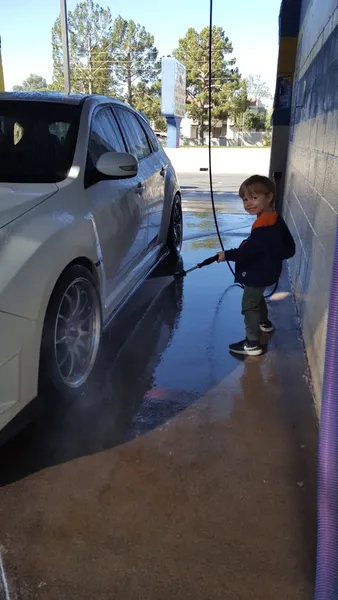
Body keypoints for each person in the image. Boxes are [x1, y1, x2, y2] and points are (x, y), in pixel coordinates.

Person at [217, 174, 295, 357]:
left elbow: (247, 252)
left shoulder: (264, 228)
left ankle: (252, 343)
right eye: (245, 199)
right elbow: (288, 248)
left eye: (254, 197)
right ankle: (264, 323)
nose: (248, 203)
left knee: (249, 304)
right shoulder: (273, 218)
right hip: (268, 270)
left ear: (269, 197)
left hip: (258, 272)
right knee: (257, 296)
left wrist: (226, 255)